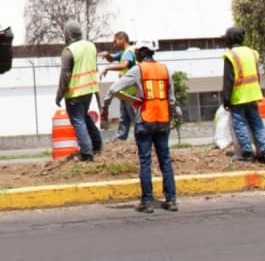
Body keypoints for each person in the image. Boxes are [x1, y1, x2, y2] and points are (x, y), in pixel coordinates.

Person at [102, 39, 178, 213]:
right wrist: (169, 119)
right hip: (162, 120)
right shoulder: (165, 69)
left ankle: (147, 202)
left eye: (137, 52)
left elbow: (114, 89)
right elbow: (171, 100)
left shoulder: (138, 70)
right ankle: (171, 200)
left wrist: (105, 106)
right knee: (165, 160)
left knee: (145, 161)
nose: (135, 54)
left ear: (143, 52)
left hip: (145, 120)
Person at [221, 26, 265, 164]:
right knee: (257, 123)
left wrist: (226, 99)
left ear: (230, 39)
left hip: (238, 96)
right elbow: (257, 74)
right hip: (253, 94)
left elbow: (228, 80)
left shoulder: (231, 55)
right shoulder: (252, 53)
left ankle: (247, 152)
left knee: (240, 124)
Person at [55, 20, 102, 161]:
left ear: (67, 34)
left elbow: (65, 75)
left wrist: (59, 95)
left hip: (75, 92)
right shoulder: (91, 46)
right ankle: (97, 144)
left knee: (78, 120)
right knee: (84, 117)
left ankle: (87, 153)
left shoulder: (69, 51)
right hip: (89, 90)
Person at [99, 31, 137, 141]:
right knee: (124, 118)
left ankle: (144, 140)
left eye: (115, 41)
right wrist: (107, 55)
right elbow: (112, 58)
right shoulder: (123, 53)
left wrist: (107, 68)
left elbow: (124, 65)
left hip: (131, 91)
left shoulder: (129, 51)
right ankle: (120, 140)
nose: (113, 44)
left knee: (135, 117)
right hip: (125, 91)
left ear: (122, 39)